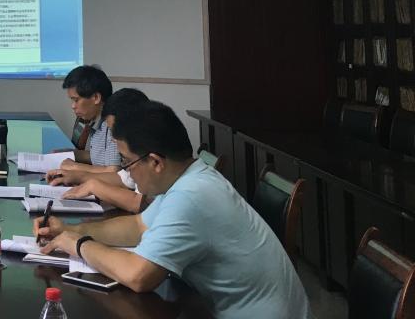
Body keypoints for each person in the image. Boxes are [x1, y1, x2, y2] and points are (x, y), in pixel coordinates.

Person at [34, 102, 309, 319]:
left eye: (127, 162)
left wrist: (79, 244)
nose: (126, 172)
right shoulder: (190, 177)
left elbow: (138, 275)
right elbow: (138, 226)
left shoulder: (192, 196)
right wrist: (68, 229)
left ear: (155, 162)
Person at [51, 88, 150, 213]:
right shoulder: (136, 151)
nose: (113, 138)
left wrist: (93, 186)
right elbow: (124, 179)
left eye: (115, 131)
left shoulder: (151, 152)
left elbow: (138, 203)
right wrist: (77, 176)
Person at [59, 65, 121, 167]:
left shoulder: (112, 124)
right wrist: (69, 154)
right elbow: (98, 157)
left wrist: (75, 168)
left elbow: (113, 171)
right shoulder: (94, 120)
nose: (73, 106)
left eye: (76, 100)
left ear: (96, 98)